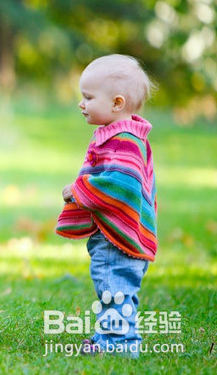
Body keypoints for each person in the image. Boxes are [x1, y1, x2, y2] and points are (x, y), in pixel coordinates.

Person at [56, 54, 157, 357]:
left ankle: (121, 344)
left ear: (116, 103)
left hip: (119, 239)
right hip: (109, 235)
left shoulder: (125, 140)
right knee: (108, 286)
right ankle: (107, 338)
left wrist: (78, 189)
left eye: (88, 97)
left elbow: (119, 184)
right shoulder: (117, 136)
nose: (81, 103)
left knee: (115, 287)